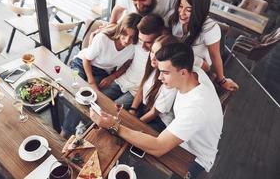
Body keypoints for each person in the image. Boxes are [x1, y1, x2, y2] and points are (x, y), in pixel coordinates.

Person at [90, 42, 224, 179]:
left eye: (165, 72)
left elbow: (159, 147)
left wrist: (113, 125)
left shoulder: (196, 108)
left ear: (183, 72)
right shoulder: (194, 71)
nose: (160, 77)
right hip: (178, 137)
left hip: (194, 157)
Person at [168, 0, 239, 91]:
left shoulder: (210, 28)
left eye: (189, 10)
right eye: (181, 6)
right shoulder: (174, 18)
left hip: (197, 68)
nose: (181, 13)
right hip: (178, 62)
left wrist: (222, 80)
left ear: (199, 10)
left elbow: (215, 56)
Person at [102, 13, 165, 109]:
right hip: (123, 80)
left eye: (148, 42)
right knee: (98, 99)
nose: (143, 46)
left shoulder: (161, 55)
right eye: (140, 40)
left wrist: (134, 108)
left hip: (136, 92)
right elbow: (120, 30)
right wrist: (98, 32)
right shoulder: (133, 40)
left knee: (111, 109)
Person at [71, 13, 142, 90]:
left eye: (132, 37)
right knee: (75, 86)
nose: (127, 40)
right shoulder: (103, 38)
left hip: (102, 72)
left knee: (92, 94)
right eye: (124, 34)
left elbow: (126, 65)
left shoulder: (134, 47)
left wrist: (112, 77)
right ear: (120, 29)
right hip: (82, 63)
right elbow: (86, 59)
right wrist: (91, 82)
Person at [129, 35, 178, 132]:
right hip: (145, 108)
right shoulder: (153, 67)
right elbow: (142, 88)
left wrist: (133, 125)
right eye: (152, 51)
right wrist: (133, 109)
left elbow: (154, 112)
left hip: (159, 120)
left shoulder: (170, 80)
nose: (153, 57)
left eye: (158, 54)